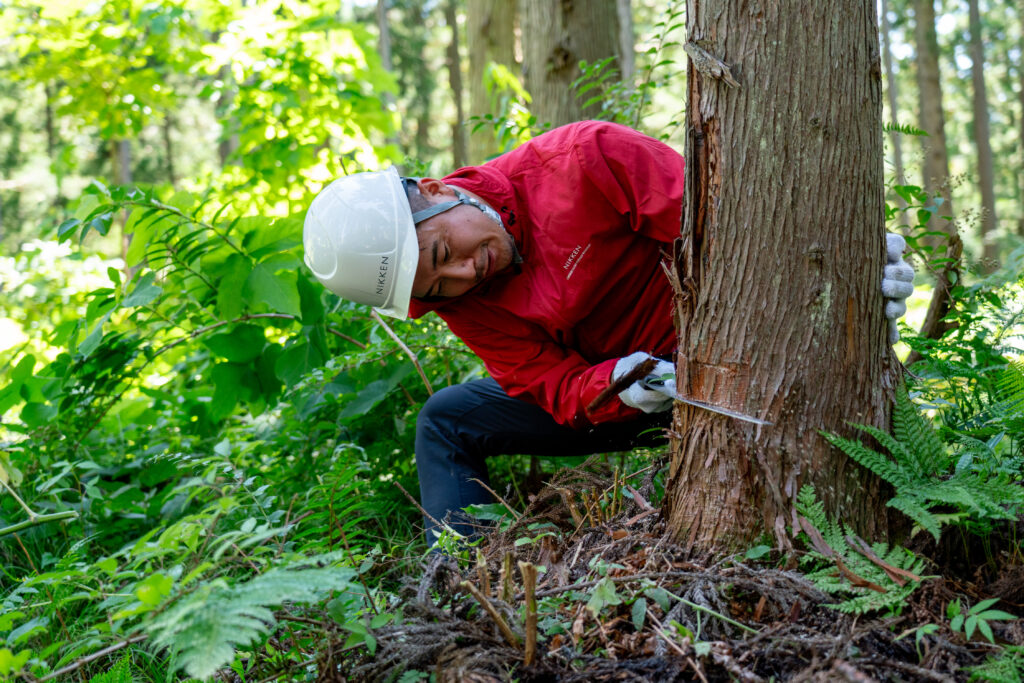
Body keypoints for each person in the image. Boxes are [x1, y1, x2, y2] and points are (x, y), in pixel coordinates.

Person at [302, 121, 915, 544]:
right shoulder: (465, 302)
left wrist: (841, 275)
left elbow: (730, 230)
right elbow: (547, 384)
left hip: (740, 361)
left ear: (436, 192)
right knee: (445, 419)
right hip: (635, 397)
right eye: (438, 287)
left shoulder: (582, 159)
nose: (465, 272)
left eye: (444, 249)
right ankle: (467, 580)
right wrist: (614, 385)